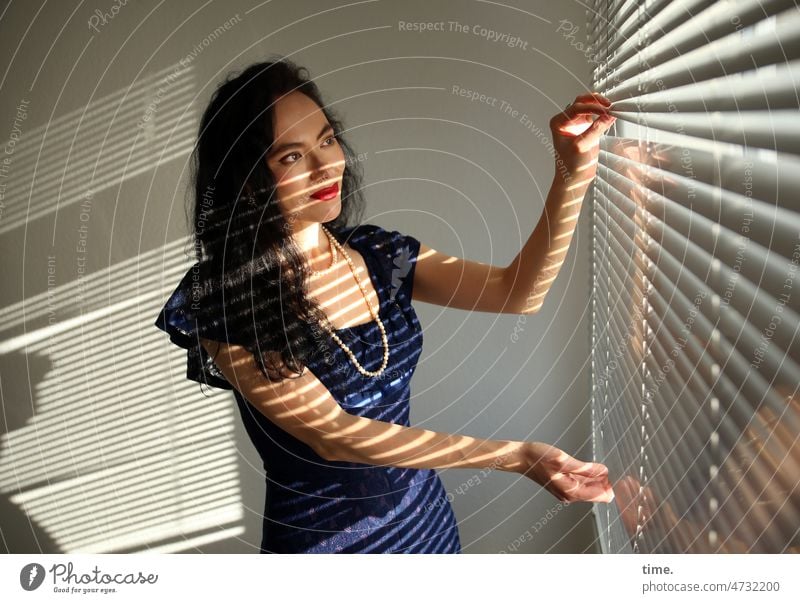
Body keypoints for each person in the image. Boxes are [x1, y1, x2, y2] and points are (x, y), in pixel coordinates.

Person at [154, 56, 616, 553]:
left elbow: (518, 292)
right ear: (248, 183)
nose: (325, 165)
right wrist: (516, 456)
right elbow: (336, 435)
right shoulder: (227, 299)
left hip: (427, 528)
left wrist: (570, 179)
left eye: (327, 140)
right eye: (291, 156)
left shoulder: (379, 255)